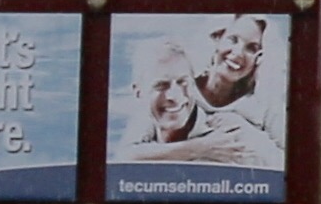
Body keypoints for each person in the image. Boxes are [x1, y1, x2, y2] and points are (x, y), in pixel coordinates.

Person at [118, 39, 260, 162]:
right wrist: (200, 147)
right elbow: (123, 158)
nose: (174, 96)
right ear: (138, 92)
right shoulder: (145, 127)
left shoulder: (231, 134)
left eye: (183, 82)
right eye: (161, 85)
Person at [189, 13, 287, 163]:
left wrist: (246, 133)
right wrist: (201, 147)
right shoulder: (181, 87)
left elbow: (288, 162)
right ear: (217, 38)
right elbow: (140, 153)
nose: (238, 53)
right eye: (233, 40)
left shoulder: (264, 104)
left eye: (251, 48)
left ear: (260, 58)